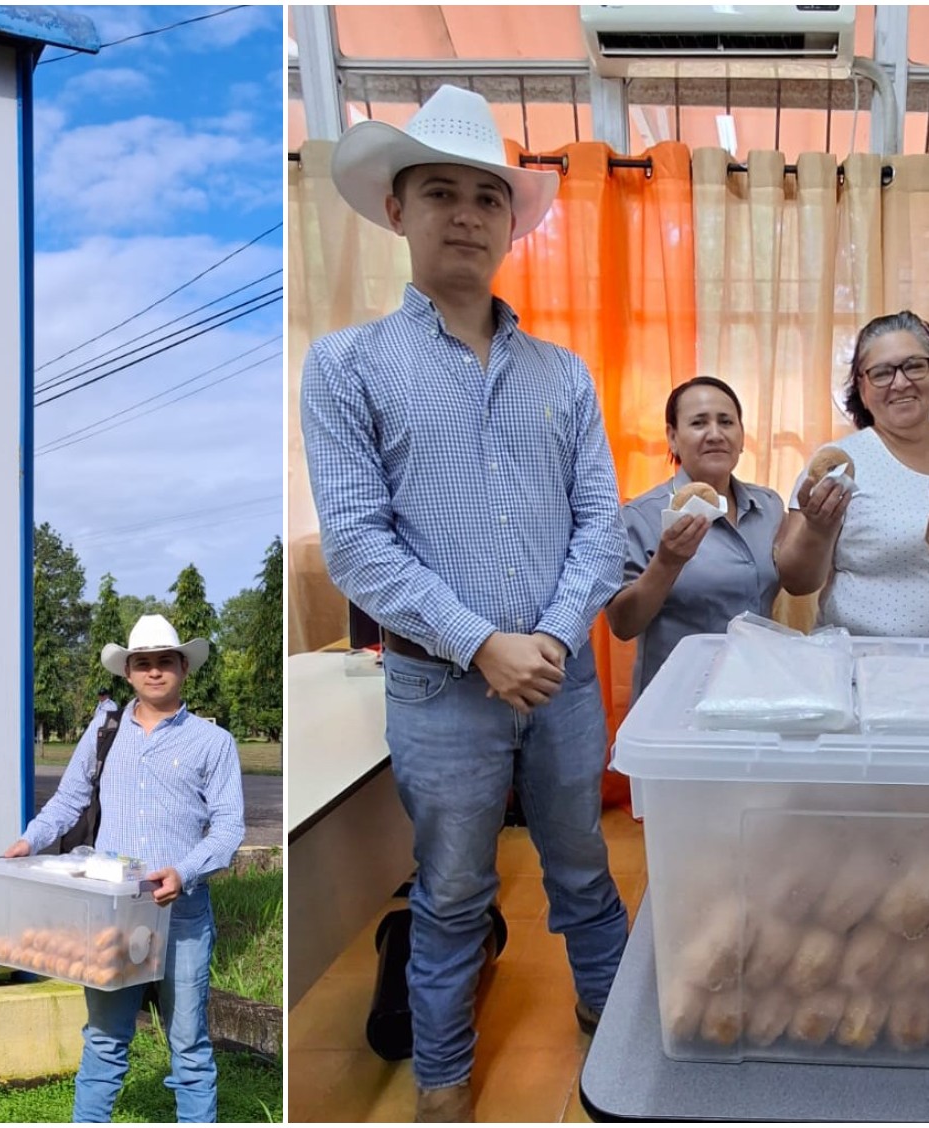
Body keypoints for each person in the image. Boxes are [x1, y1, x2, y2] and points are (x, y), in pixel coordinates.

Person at [301, 84, 630, 1122]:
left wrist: (543, 639)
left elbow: (598, 523)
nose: (463, 214)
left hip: (561, 679)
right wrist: (481, 643)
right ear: (394, 209)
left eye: (485, 197)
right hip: (436, 689)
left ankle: (615, 1037)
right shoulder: (345, 365)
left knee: (583, 868)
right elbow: (355, 541)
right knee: (448, 893)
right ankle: (440, 1082)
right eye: (437, 191)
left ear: (507, 221)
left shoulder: (562, 375)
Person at [5, 614, 245, 1123]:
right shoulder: (105, 731)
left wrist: (183, 871)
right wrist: (29, 841)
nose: (153, 672)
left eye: (164, 662)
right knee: (106, 1039)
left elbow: (228, 829)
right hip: (113, 913)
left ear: (183, 667)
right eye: (142, 664)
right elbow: (69, 801)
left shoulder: (212, 743)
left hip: (180, 913)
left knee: (189, 1044)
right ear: (128, 673)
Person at [774, 310, 929, 641]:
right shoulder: (839, 464)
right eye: (881, 373)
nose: (901, 382)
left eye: (915, 365)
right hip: (859, 665)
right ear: (861, 388)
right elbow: (796, 581)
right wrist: (818, 529)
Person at [605, 377, 785, 698]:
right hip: (678, 696)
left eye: (726, 422)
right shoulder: (641, 515)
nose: (715, 434)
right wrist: (667, 562)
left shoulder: (768, 506)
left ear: (742, 437)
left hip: (756, 691)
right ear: (673, 438)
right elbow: (622, 624)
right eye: (699, 423)